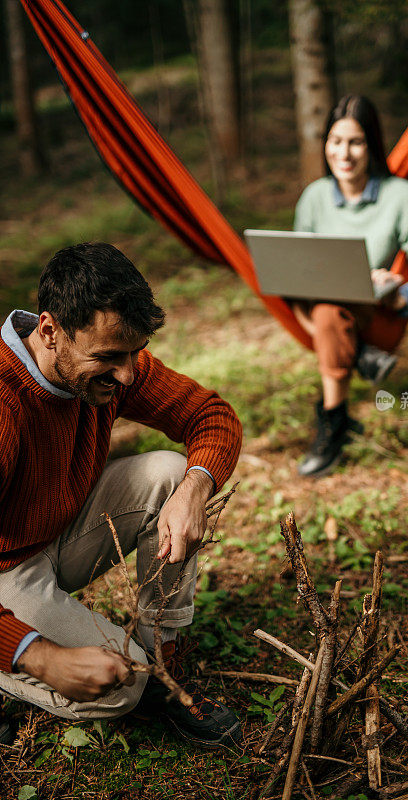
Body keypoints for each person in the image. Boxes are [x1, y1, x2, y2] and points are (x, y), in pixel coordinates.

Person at [0, 243, 243, 747]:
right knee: (120, 691)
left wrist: (196, 486)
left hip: (57, 532)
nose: (129, 374)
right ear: (49, 331)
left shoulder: (114, 365)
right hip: (5, 570)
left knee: (174, 472)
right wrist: (38, 656)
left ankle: (165, 666)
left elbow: (212, 416)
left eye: (134, 353)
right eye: (110, 357)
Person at [292, 94, 408, 476]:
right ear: (325, 144)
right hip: (317, 310)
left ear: (372, 145)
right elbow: (296, 265)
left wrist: (403, 292)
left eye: (355, 142)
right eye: (335, 141)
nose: (343, 153)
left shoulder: (405, 199)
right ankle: (356, 362)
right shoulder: (314, 198)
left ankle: (332, 423)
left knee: (330, 310)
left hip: (377, 315)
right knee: (322, 305)